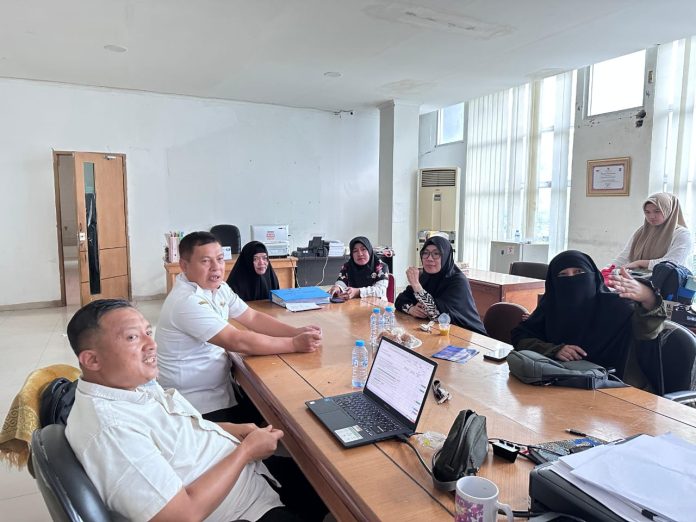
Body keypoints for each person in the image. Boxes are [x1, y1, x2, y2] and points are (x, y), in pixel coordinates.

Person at [65, 299, 326, 522]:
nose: (151, 344)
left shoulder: (128, 385)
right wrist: (246, 452)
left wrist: (230, 430)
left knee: (319, 470)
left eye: (148, 332)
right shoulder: (112, 430)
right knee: (334, 486)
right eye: (132, 337)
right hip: (244, 510)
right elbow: (181, 515)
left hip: (248, 478)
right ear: (92, 360)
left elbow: (173, 432)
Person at [156, 231, 322, 423]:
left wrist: (296, 332)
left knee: (279, 409)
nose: (216, 267)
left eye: (219, 259)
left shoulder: (218, 288)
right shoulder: (186, 301)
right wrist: (294, 344)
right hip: (195, 404)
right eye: (206, 261)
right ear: (184, 266)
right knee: (282, 416)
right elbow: (237, 340)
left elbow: (252, 317)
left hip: (220, 388)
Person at [511, 250, 666, 386]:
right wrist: (553, 350)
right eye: (563, 275)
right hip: (559, 384)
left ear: (593, 275)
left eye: (579, 272)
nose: (572, 279)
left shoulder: (617, 307)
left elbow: (648, 331)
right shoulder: (550, 308)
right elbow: (520, 337)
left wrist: (649, 297)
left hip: (614, 389)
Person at [395, 236, 486, 335]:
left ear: (446, 256)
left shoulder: (458, 281)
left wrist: (416, 286)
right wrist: (411, 309)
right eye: (425, 253)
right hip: (438, 333)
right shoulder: (425, 276)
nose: (429, 258)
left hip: (467, 335)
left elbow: (438, 316)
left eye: (436, 254)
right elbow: (400, 300)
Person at [613, 192, 692, 270]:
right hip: (637, 276)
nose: (651, 216)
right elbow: (624, 256)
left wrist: (639, 263)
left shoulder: (682, 234)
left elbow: (673, 262)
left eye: (657, 211)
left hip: (667, 277)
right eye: (647, 212)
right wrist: (609, 269)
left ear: (668, 211)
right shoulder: (642, 232)